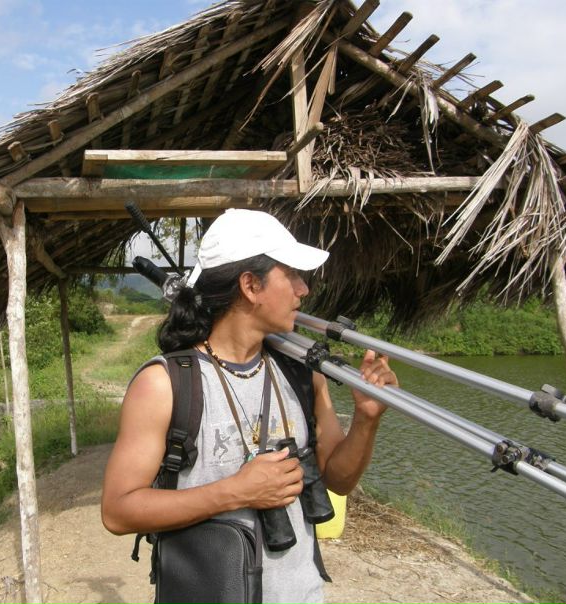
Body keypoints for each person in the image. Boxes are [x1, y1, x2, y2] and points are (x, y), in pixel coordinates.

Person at [101, 209, 397, 604]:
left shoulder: (304, 374)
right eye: (291, 274)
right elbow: (118, 511)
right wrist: (235, 492)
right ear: (250, 285)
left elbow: (338, 480)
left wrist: (366, 420)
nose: (303, 290)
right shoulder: (164, 384)